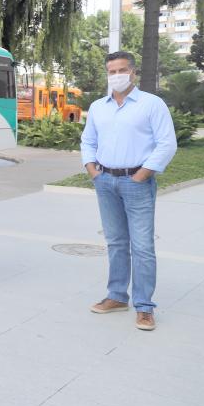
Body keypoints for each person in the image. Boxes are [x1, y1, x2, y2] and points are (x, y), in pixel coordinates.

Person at [81, 51, 177, 331]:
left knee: (143, 246)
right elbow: (88, 141)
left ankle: (144, 307)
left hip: (137, 182)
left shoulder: (151, 104)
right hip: (105, 181)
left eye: (122, 70)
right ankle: (117, 296)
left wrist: (142, 174)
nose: (117, 76)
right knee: (116, 242)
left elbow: (167, 143)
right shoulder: (98, 107)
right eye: (111, 71)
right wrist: (92, 171)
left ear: (133, 72)